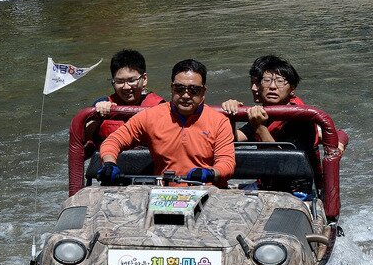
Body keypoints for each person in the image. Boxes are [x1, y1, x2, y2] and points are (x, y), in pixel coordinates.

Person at [98, 59, 235, 185]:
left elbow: (227, 163)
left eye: (194, 90)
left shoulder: (219, 122)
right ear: (171, 88)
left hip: (208, 192)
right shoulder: (150, 116)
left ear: (203, 92)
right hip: (163, 194)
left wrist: (210, 173)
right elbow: (114, 141)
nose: (186, 95)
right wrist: (109, 163)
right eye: (179, 89)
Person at [222, 56, 348, 152]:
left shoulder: (299, 117)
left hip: (294, 185)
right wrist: (231, 115)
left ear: (292, 88)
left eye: (280, 81)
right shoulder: (263, 111)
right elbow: (234, 140)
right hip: (266, 182)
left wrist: (260, 128)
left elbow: (286, 165)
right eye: (266, 81)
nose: (272, 87)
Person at [85, 50, 165, 143]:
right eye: (119, 81)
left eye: (131, 80)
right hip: (111, 155)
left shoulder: (159, 106)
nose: (126, 87)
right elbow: (83, 139)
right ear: (113, 82)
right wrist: (97, 116)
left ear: (144, 79)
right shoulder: (101, 104)